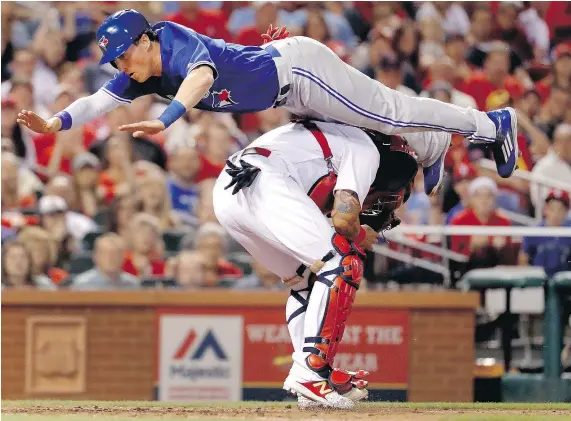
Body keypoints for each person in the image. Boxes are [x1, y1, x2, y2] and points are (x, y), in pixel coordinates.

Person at [17, 9, 519, 199]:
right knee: (374, 128)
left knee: (389, 111)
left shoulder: (169, 39)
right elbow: (94, 103)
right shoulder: (138, 73)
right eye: (116, 60)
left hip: (299, 71)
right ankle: (430, 149)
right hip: (288, 92)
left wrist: (167, 118)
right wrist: (54, 122)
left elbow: (201, 76)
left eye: (123, 54)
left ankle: (489, 123)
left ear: (144, 40)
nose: (120, 66)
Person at [213, 118, 420, 409]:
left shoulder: (338, 141)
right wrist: (362, 233)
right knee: (343, 262)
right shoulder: (367, 151)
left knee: (306, 281)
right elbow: (344, 220)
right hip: (264, 181)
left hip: (230, 193)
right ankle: (311, 370)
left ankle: (312, 378)